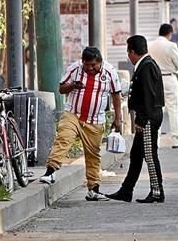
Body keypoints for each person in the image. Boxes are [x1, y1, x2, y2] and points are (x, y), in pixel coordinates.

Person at [40, 47, 123, 201]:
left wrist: (118, 118)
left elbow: (116, 95)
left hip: (96, 120)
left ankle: (93, 189)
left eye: (93, 65)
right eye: (87, 65)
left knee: (93, 154)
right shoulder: (75, 69)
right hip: (73, 114)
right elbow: (61, 88)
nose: (90, 68)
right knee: (64, 138)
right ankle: (50, 172)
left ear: (100, 62)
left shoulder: (110, 71)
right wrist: (73, 86)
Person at [108, 36, 166, 203]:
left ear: (132, 52)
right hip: (148, 115)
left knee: (149, 154)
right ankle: (126, 190)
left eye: (128, 52)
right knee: (136, 154)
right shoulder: (146, 64)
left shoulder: (146, 66)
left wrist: (141, 120)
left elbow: (148, 96)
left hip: (148, 117)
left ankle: (157, 191)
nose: (128, 56)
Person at [148, 23, 178, 149]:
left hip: (155, 80)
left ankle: (155, 140)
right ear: (169, 33)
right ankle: (175, 139)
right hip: (169, 78)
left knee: (156, 109)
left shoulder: (150, 45)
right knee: (173, 110)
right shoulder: (171, 46)